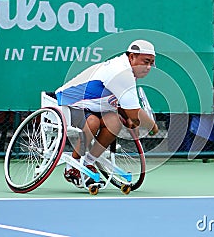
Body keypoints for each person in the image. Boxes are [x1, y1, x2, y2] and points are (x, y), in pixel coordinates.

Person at [55, 39, 159, 187]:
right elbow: (134, 111)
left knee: (114, 123)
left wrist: (131, 119)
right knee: (93, 122)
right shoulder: (121, 72)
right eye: (145, 61)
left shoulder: (129, 72)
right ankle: (72, 166)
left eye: (151, 63)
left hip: (96, 107)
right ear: (132, 57)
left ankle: (89, 163)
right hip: (70, 103)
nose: (148, 67)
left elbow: (124, 107)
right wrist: (152, 126)